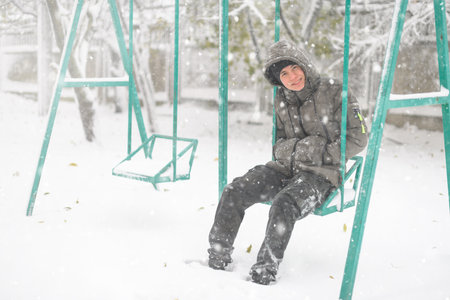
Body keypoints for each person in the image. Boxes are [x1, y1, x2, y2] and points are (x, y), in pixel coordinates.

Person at [207, 40, 368, 285]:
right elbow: (279, 142)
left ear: (304, 65)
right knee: (235, 190)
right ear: (278, 79)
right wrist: (295, 150)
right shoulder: (281, 98)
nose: (292, 77)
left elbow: (359, 138)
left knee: (284, 203)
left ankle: (265, 270)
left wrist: (316, 151)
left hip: (321, 174)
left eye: (295, 68)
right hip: (284, 168)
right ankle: (218, 256)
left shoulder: (335, 91)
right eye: (284, 73)